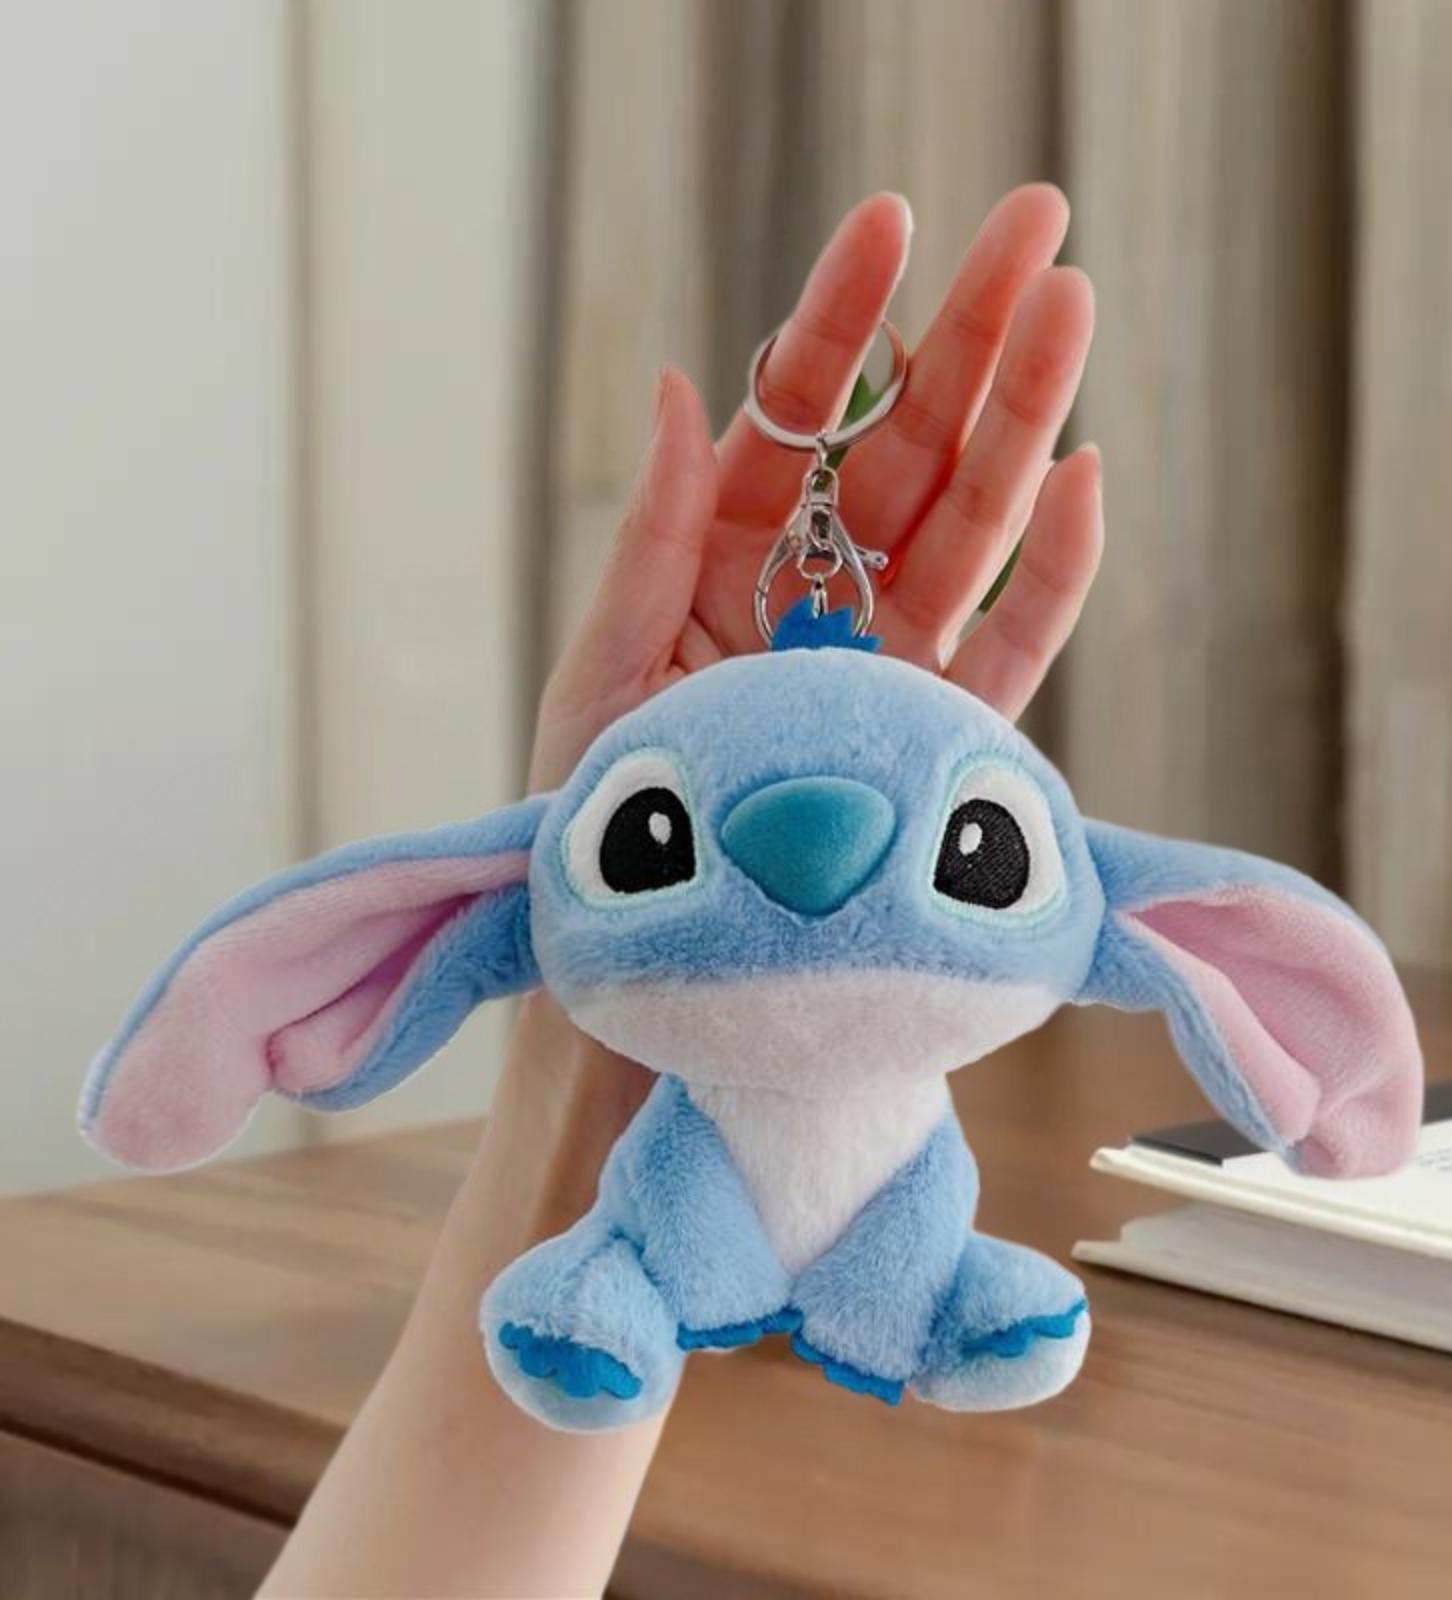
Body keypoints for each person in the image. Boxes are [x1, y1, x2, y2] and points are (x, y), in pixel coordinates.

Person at [259, 182, 1103, 1599]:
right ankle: (626, 1288)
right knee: (651, 1246)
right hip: (673, 1203)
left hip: (871, 1208)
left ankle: (930, 1292)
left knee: (912, 1215)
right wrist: (603, 895)